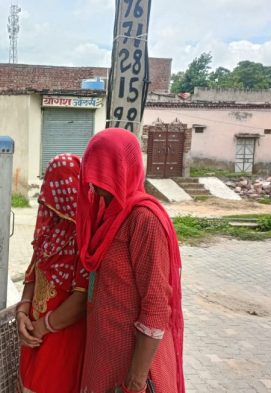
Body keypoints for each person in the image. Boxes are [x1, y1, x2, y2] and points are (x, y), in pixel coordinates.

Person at [76, 129, 185, 393]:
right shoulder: (106, 216)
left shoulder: (143, 220)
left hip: (135, 368)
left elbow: (157, 305)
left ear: (126, 170)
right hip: (105, 356)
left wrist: (135, 382)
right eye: (93, 178)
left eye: (105, 178)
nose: (98, 188)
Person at [17, 153, 88, 393]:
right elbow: (33, 275)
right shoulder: (48, 230)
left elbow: (81, 300)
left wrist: (43, 326)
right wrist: (22, 314)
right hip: (34, 333)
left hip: (63, 336)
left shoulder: (85, 239)